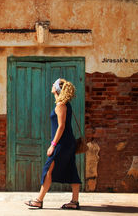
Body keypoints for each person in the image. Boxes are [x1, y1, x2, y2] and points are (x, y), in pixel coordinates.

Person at [25, 78, 82, 210]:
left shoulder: (61, 105)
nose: (51, 85)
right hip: (68, 142)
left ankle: (38, 200)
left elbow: (61, 127)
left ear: (56, 89)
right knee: (71, 169)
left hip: (62, 143)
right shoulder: (65, 104)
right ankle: (74, 201)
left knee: (48, 169)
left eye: (54, 84)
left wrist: (53, 144)